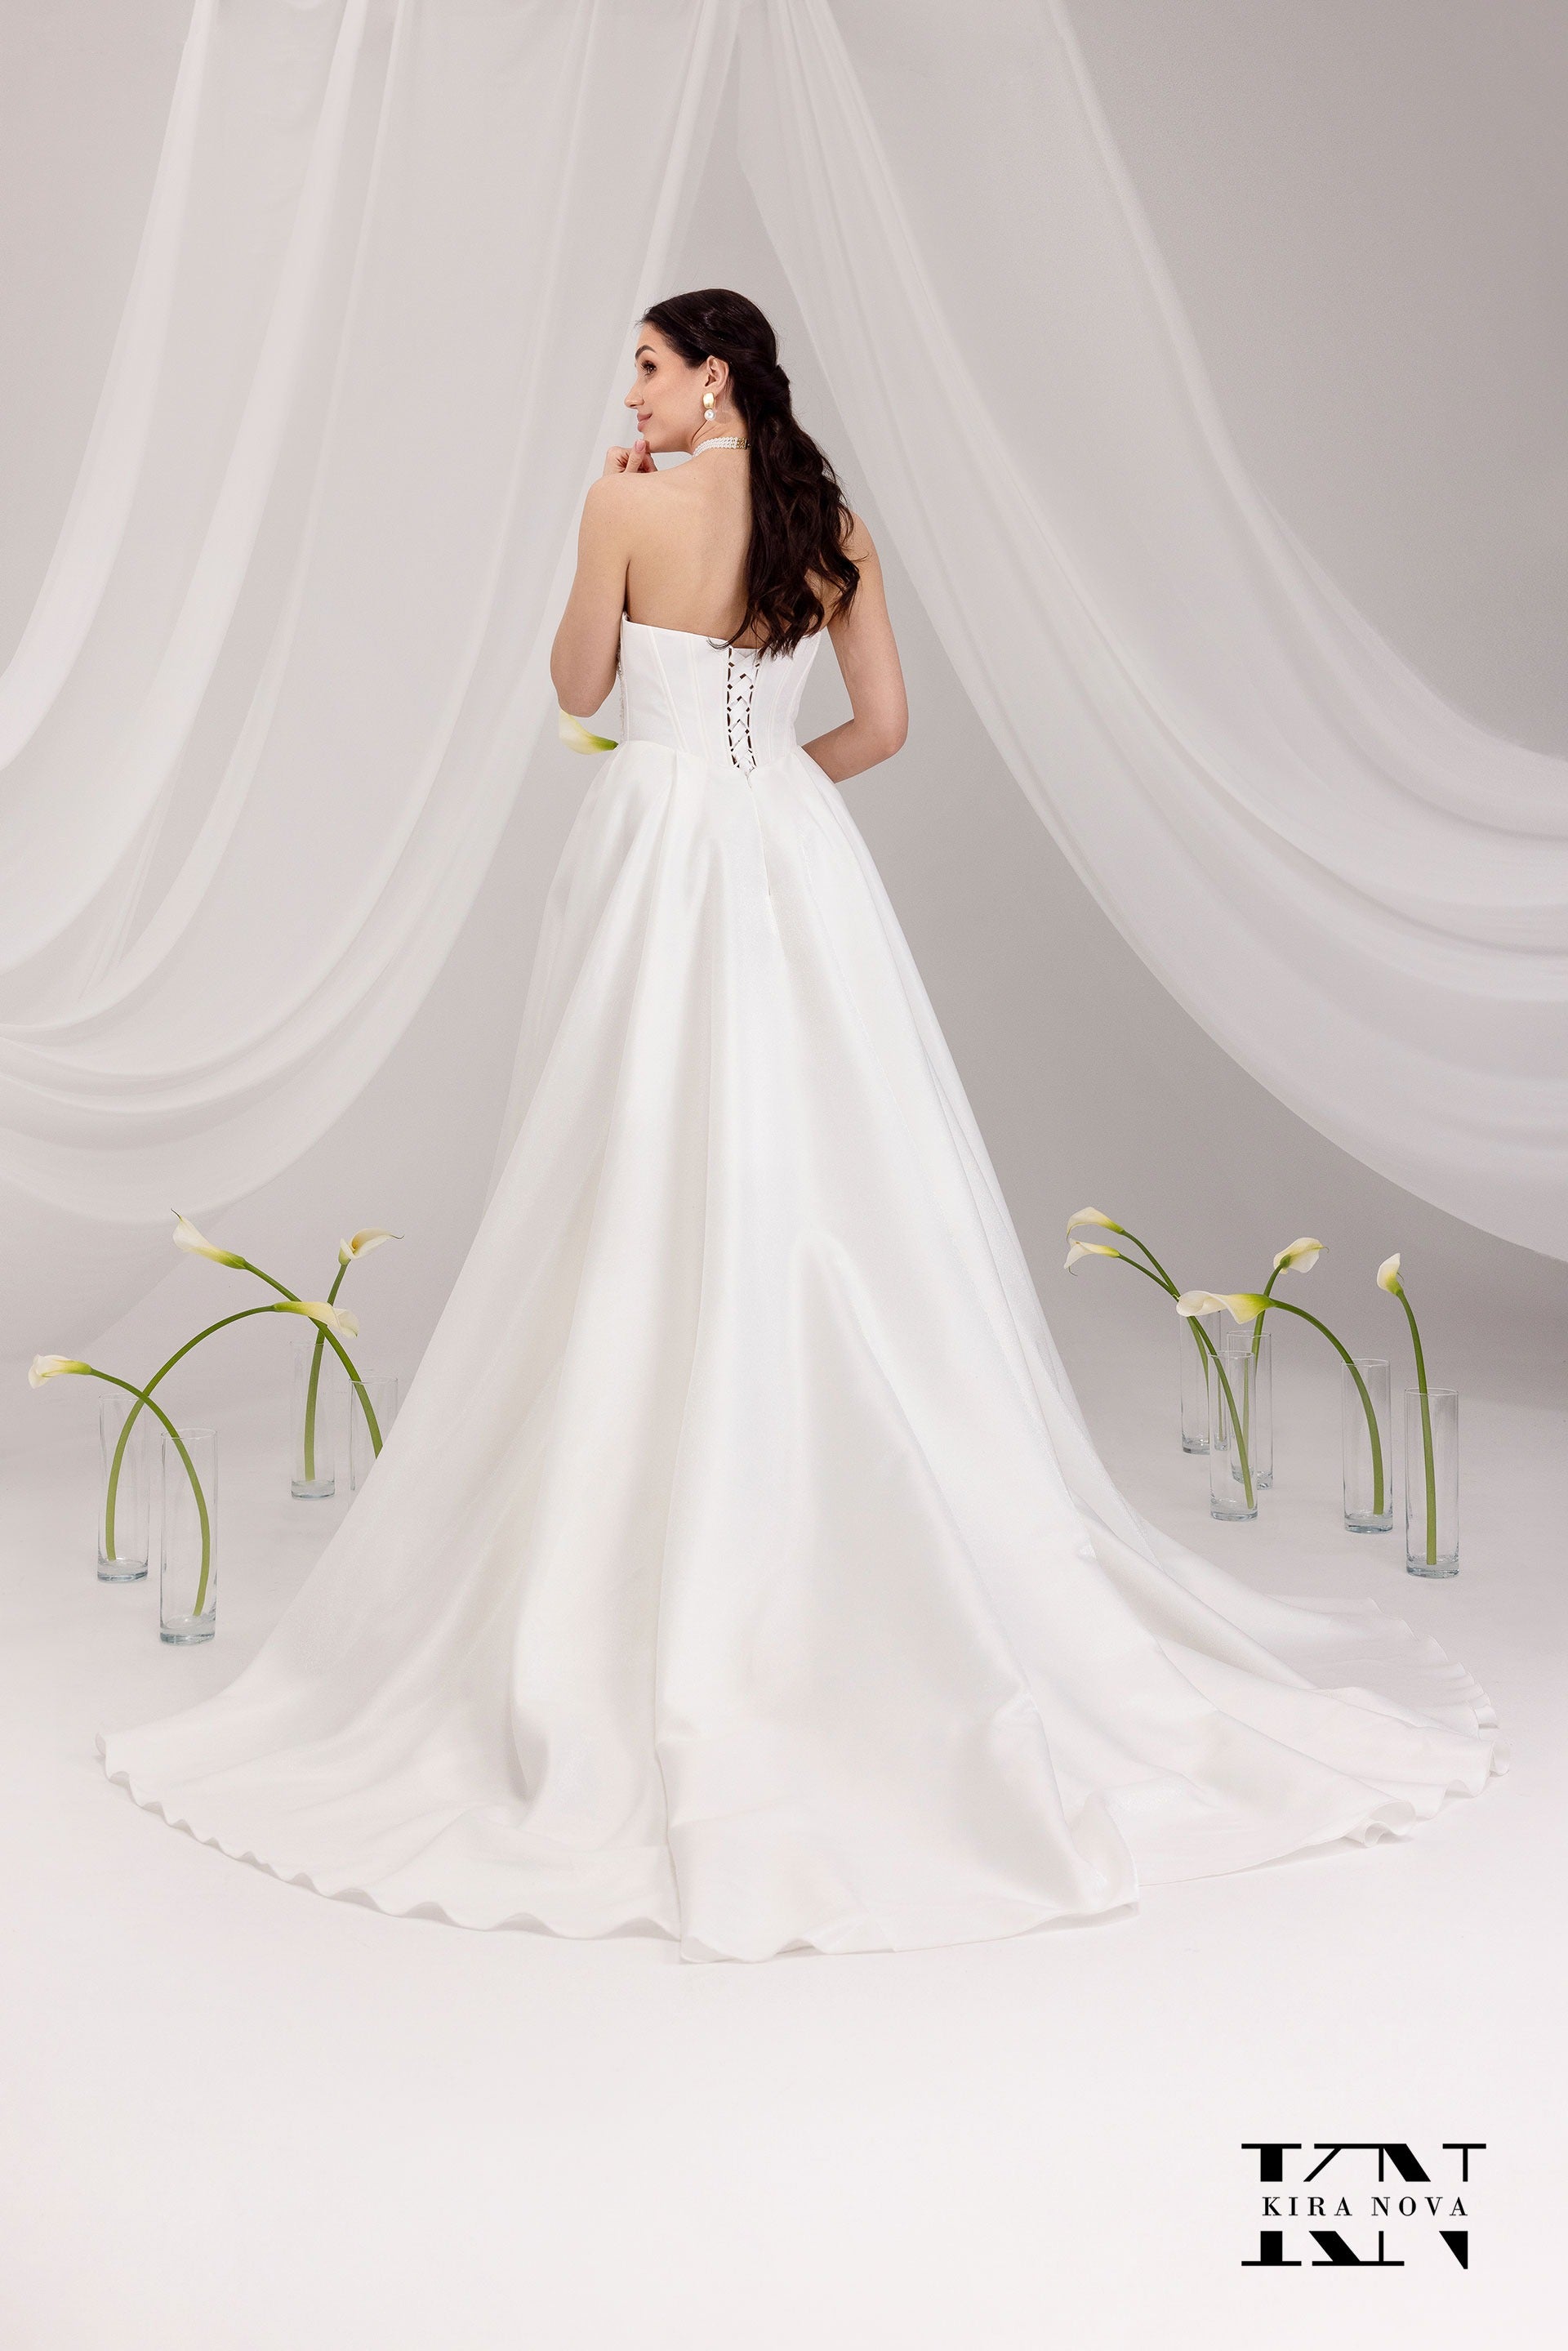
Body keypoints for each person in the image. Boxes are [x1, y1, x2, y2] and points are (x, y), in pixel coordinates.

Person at [99, 290, 1503, 1965]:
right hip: (792, 853)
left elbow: (577, 682)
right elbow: (884, 728)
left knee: (629, 1159)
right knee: (828, 1161)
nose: (628, 389)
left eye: (645, 364)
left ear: (710, 376)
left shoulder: (623, 504)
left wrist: (622, 556)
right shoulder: (831, 526)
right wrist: (763, 798)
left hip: (650, 852)